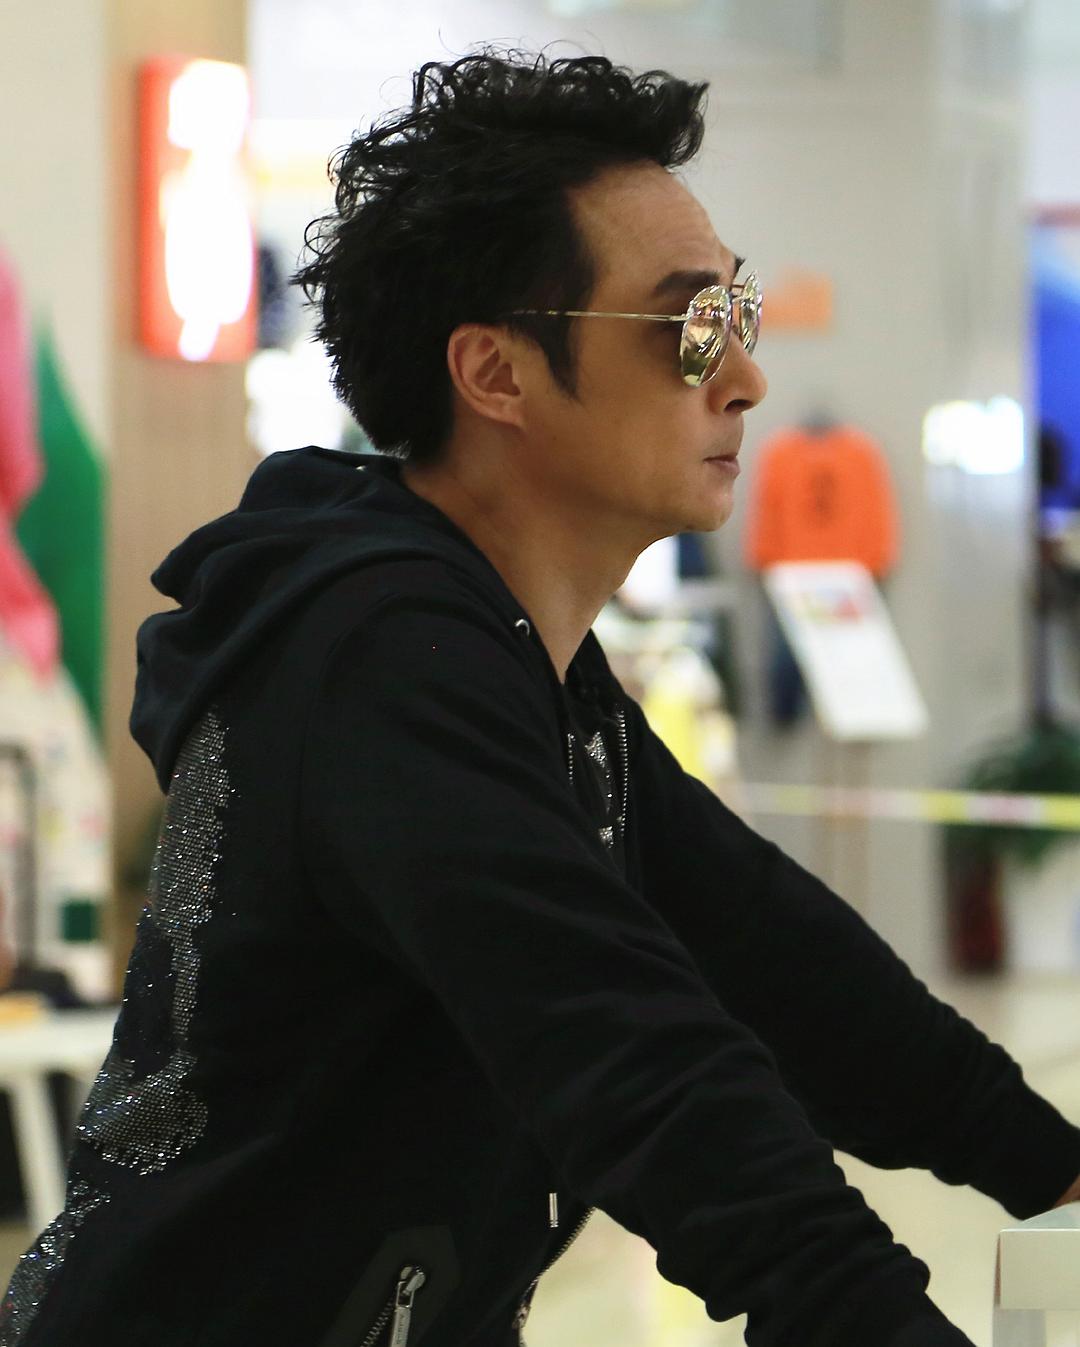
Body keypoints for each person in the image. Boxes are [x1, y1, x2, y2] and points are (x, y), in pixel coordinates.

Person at [2, 47, 1078, 1347]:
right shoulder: (381, 662)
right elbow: (630, 1054)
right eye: (688, 327)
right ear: (496, 374)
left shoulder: (528, 665)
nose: (745, 375)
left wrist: (1051, 1169)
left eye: (738, 313)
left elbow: (773, 958)